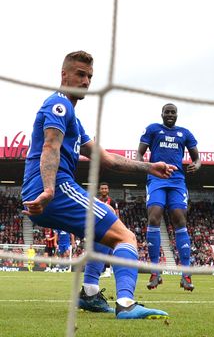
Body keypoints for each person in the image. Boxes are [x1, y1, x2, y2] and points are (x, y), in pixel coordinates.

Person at [21, 51, 173, 319]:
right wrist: (48, 189)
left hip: (49, 190)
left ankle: (90, 293)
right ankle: (126, 303)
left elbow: (106, 159)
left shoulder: (74, 121)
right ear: (64, 75)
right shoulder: (59, 105)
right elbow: (50, 146)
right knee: (126, 237)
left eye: (89, 76)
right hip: (54, 188)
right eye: (80, 74)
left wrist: (150, 167)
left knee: (106, 224)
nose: (86, 81)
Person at [137, 103, 201, 292]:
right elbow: (139, 153)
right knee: (154, 216)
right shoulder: (153, 129)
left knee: (180, 219)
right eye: (167, 112)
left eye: (173, 112)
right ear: (162, 114)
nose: (170, 115)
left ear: (177, 115)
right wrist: (143, 166)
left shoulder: (185, 133)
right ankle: (155, 272)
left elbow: (197, 158)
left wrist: (196, 165)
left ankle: (186, 275)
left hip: (177, 181)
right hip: (156, 178)